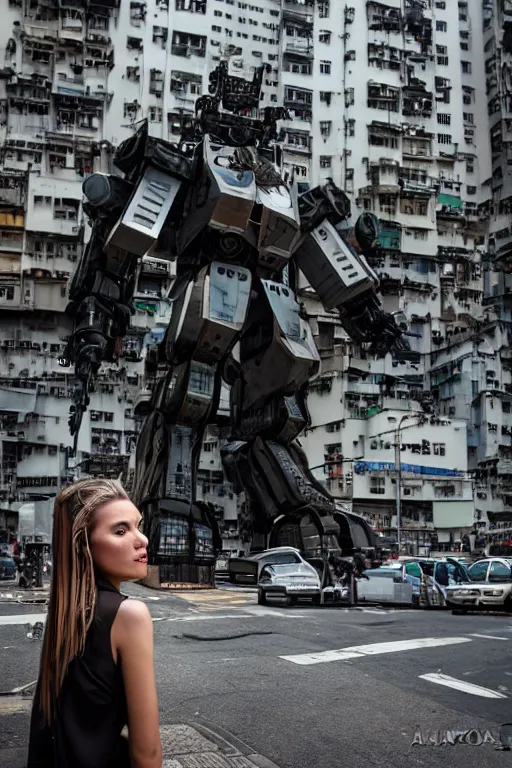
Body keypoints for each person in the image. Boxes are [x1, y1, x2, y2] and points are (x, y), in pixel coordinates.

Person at [27, 478, 162, 768]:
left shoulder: (67, 614)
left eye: (139, 526)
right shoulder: (129, 615)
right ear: (84, 545)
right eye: (121, 530)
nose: (142, 540)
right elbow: (147, 755)